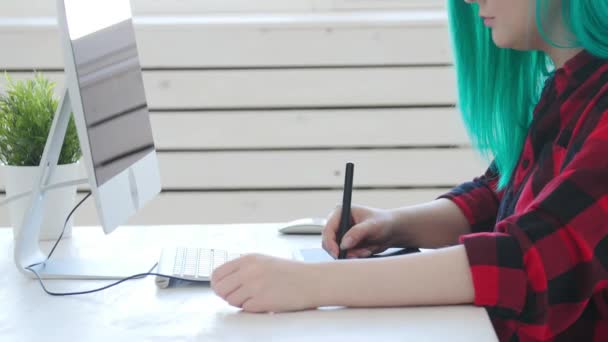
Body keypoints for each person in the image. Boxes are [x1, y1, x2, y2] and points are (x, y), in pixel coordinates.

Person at [210, 0, 608, 340]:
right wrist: (393, 224)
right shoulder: (568, 88)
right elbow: (500, 195)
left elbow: (525, 262)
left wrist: (308, 284)